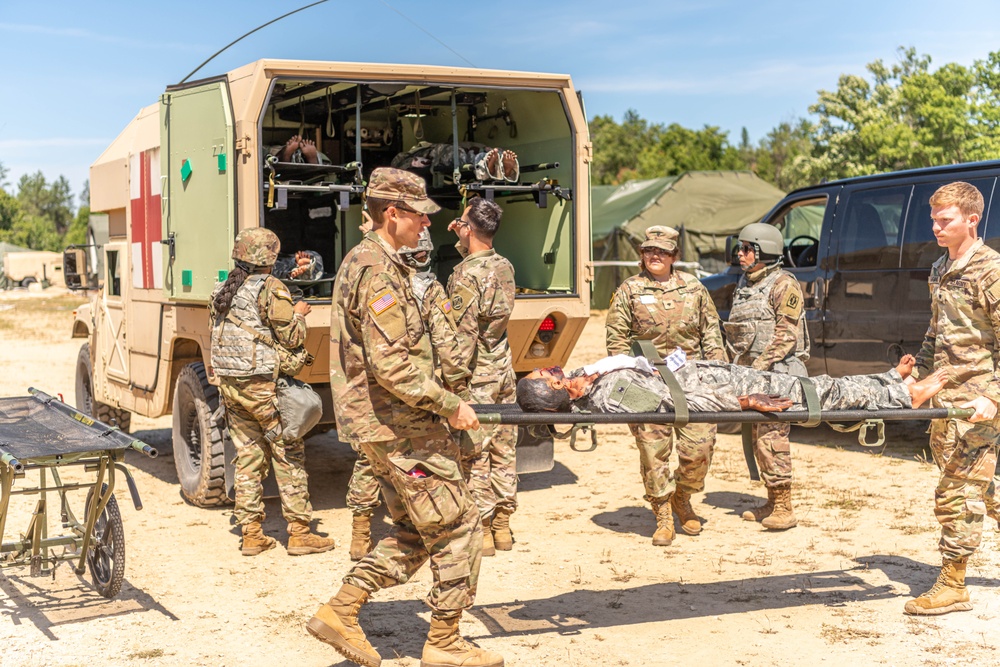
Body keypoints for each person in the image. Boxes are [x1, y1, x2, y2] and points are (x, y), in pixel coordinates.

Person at [307, 167, 501, 667]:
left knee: (418, 530)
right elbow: (391, 363)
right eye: (419, 216)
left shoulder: (375, 262)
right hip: (398, 425)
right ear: (392, 213)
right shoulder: (376, 270)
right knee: (460, 524)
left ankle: (342, 610)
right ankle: (444, 642)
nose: (426, 226)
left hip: (389, 423)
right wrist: (450, 404)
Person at [903, 182, 1000, 616]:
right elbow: (936, 331)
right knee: (991, 492)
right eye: (934, 219)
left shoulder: (990, 271)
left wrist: (994, 399)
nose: (936, 226)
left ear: (972, 219)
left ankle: (954, 583)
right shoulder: (940, 266)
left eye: (946, 220)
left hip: (980, 403)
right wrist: (916, 373)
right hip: (948, 402)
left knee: (955, 492)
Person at [208, 228, 335, 557]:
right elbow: (291, 337)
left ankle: (251, 534)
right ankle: (300, 533)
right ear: (269, 260)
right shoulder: (271, 288)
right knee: (287, 452)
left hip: (230, 385)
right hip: (262, 385)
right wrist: (301, 315)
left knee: (248, 455)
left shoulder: (222, 288)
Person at [344, 230, 466, 562]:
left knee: (372, 460)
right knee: (423, 466)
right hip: (416, 391)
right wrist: (457, 393)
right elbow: (448, 347)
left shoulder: (384, 280)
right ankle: (424, 533)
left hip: (378, 394)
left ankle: (360, 532)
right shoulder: (429, 290)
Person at [606, 225, 727, 545]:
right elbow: (616, 340)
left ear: (675, 256)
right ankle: (662, 514)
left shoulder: (694, 288)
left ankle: (683, 496)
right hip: (647, 381)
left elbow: (712, 335)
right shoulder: (629, 290)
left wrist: (719, 376)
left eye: (662, 251)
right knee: (653, 451)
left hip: (692, 380)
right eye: (648, 250)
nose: (654, 256)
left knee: (699, 448)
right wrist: (627, 376)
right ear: (641, 255)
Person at [515, 353, 949, 416]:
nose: (550, 370)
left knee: (813, 383)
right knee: (815, 393)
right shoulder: (612, 396)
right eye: (544, 377)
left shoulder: (589, 380)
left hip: (715, 372)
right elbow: (675, 403)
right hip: (723, 387)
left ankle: (889, 380)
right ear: (553, 393)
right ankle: (902, 395)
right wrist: (744, 401)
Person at [723, 222, 809, 531]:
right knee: (757, 438)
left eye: (748, 249)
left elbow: (786, 336)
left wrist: (758, 368)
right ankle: (772, 501)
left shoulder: (783, 284)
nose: (741, 254)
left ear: (766, 252)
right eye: (741, 248)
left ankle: (784, 506)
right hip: (752, 375)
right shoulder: (745, 285)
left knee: (773, 438)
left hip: (776, 375)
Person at [446, 197, 517, 556]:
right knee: (505, 446)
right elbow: (480, 261)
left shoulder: (463, 276)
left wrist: (453, 387)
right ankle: (504, 524)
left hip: (478, 376)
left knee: (476, 453)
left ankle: (485, 528)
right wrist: (464, 238)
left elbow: (463, 338)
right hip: (503, 367)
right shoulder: (504, 265)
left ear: (470, 228)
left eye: (462, 223)